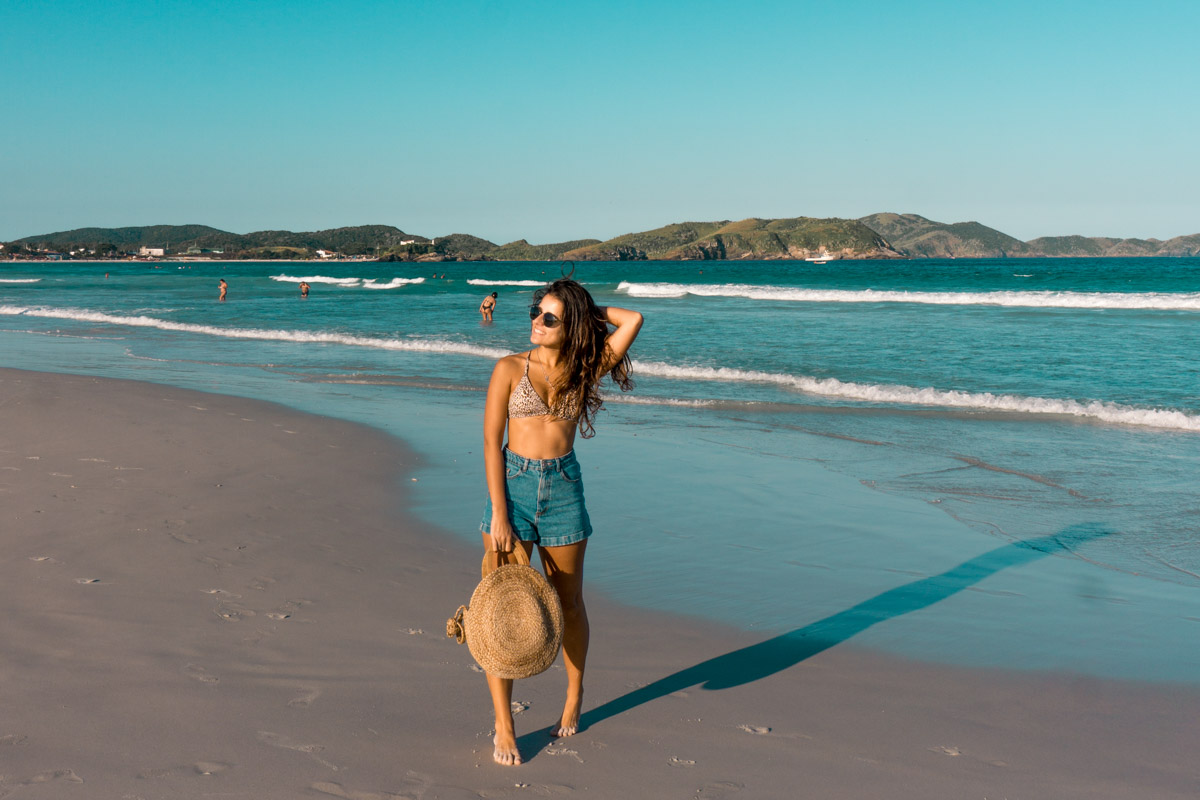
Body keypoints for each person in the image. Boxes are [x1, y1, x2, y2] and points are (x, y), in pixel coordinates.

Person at [479, 278, 643, 766]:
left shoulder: (584, 367)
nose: (537, 321)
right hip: (514, 485)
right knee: (499, 608)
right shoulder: (509, 368)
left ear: (570, 325)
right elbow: (491, 442)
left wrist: (585, 310)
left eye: (550, 317)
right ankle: (504, 725)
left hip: (565, 489)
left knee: (569, 602)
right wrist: (501, 514)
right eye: (536, 311)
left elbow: (631, 320)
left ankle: (573, 696)